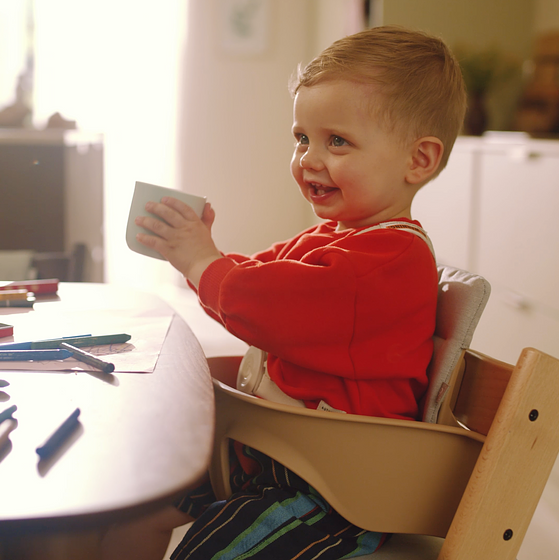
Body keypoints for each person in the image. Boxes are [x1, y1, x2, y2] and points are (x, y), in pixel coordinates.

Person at [99, 25, 466, 560]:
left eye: (337, 141)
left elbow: (269, 307)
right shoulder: (332, 238)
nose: (309, 159)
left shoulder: (391, 261)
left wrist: (202, 261)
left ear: (419, 160)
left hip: (339, 492)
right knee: (135, 500)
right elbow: (257, 278)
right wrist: (204, 258)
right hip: (277, 461)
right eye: (302, 138)